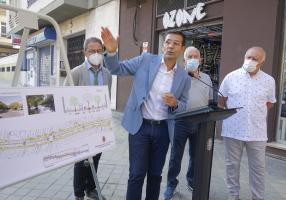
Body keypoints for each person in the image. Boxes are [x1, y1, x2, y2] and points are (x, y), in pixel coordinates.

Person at [100, 27, 191, 200]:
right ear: (163, 45)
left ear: (182, 49)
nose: (171, 46)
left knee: (156, 175)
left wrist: (176, 104)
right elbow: (117, 69)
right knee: (136, 174)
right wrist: (112, 52)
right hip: (140, 126)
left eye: (176, 43)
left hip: (163, 129)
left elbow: (184, 104)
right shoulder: (146, 59)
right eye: (168, 42)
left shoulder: (184, 77)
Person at [218, 47, 276, 200]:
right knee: (232, 165)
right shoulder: (231, 77)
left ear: (262, 62)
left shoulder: (269, 81)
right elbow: (221, 99)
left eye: (255, 59)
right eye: (249, 57)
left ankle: (257, 197)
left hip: (257, 132)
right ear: (244, 57)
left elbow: (270, 102)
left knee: (258, 168)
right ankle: (233, 194)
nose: (250, 60)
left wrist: (255, 111)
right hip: (233, 130)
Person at [64, 37, 112, 200]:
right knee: (81, 160)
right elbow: (65, 98)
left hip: (99, 124)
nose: (96, 54)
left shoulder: (107, 73)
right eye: (92, 51)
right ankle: (79, 194)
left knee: (96, 157)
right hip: (81, 125)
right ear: (84, 52)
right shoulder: (76, 73)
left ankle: (91, 189)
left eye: (99, 50)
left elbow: (107, 97)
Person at [164, 46, 213, 200]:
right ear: (184, 60)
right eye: (189, 56)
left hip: (200, 122)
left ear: (200, 60)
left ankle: (191, 180)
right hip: (180, 121)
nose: (193, 59)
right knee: (175, 156)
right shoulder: (176, 76)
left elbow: (209, 98)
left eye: (195, 56)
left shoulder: (206, 78)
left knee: (196, 155)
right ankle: (171, 184)